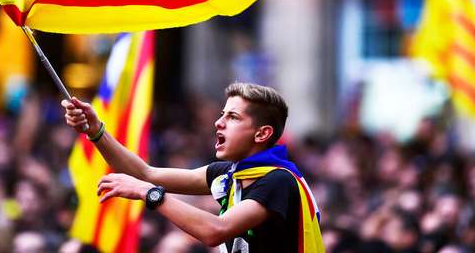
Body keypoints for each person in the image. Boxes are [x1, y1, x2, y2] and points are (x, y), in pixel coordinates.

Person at [62, 82, 324, 252]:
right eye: (222, 114)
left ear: (261, 134)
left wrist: (150, 194)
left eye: (232, 117)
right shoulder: (229, 172)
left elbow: (215, 231)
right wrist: (95, 131)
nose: (218, 123)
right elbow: (145, 173)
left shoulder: (278, 180)